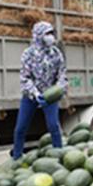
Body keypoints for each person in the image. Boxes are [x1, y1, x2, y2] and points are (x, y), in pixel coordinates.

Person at [11, 21, 67, 159]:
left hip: (49, 95)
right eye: (47, 33)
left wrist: (59, 88)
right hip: (30, 96)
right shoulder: (28, 54)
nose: (51, 36)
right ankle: (16, 156)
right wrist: (35, 93)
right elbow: (25, 77)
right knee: (21, 128)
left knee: (53, 126)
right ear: (38, 35)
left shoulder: (56, 53)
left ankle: (59, 155)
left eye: (51, 33)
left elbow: (62, 74)